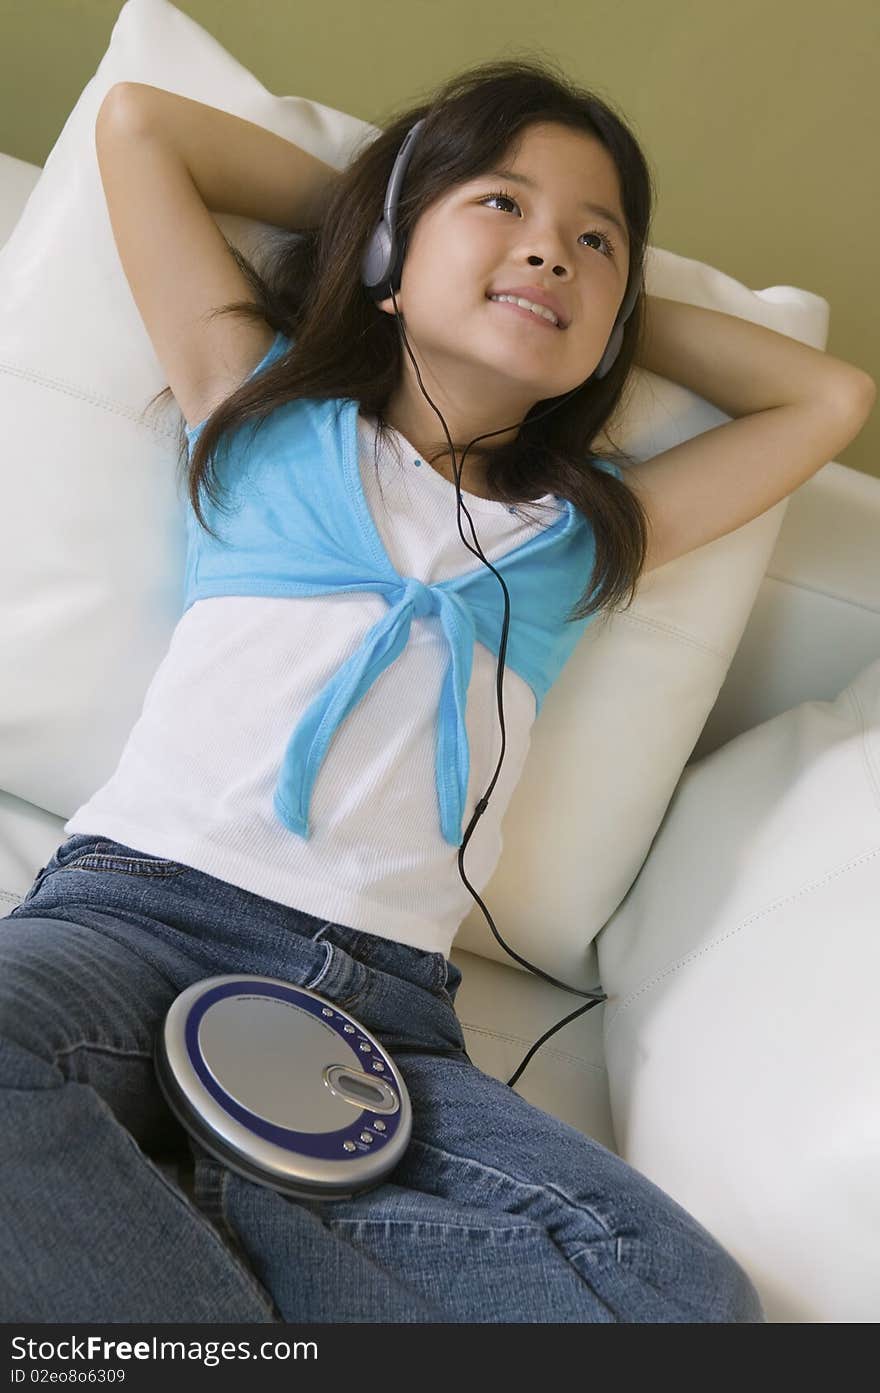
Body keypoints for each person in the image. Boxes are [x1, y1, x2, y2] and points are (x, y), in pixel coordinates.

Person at [0, 58, 766, 1323]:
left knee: (679, 1293)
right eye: (501, 204)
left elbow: (826, 395)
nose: (550, 252)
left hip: (379, 1014)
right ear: (390, 263)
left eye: (595, 241)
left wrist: (605, 307)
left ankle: (222, 1169)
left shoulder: (576, 536)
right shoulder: (263, 408)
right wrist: (380, 221)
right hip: (134, 919)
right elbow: (141, 123)